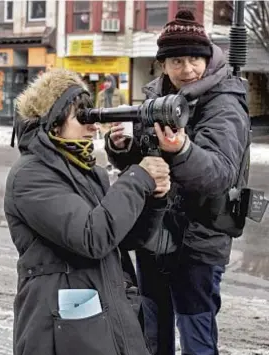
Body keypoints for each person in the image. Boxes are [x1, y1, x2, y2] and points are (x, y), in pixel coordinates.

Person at [105, 10, 250, 355]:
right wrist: (121, 147)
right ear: (163, 65)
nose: (187, 70)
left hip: (199, 241)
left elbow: (219, 174)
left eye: (195, 59)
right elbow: (144, 159)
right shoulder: (156, 96)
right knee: (153, 330)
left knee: (196, 335)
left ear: (208, 56)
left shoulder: (225, 101)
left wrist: (183, 149)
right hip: (154, 232)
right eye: (177, 61)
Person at [4, 68, 171, 355]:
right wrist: (136, 179)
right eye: (82, 117)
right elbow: (92, 237)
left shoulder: (88, 171)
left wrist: (154, 198)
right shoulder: (31, 175)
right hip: (59, 329)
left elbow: (125, 238)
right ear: (54, 123)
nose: (94, 126)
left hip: (104, 316)